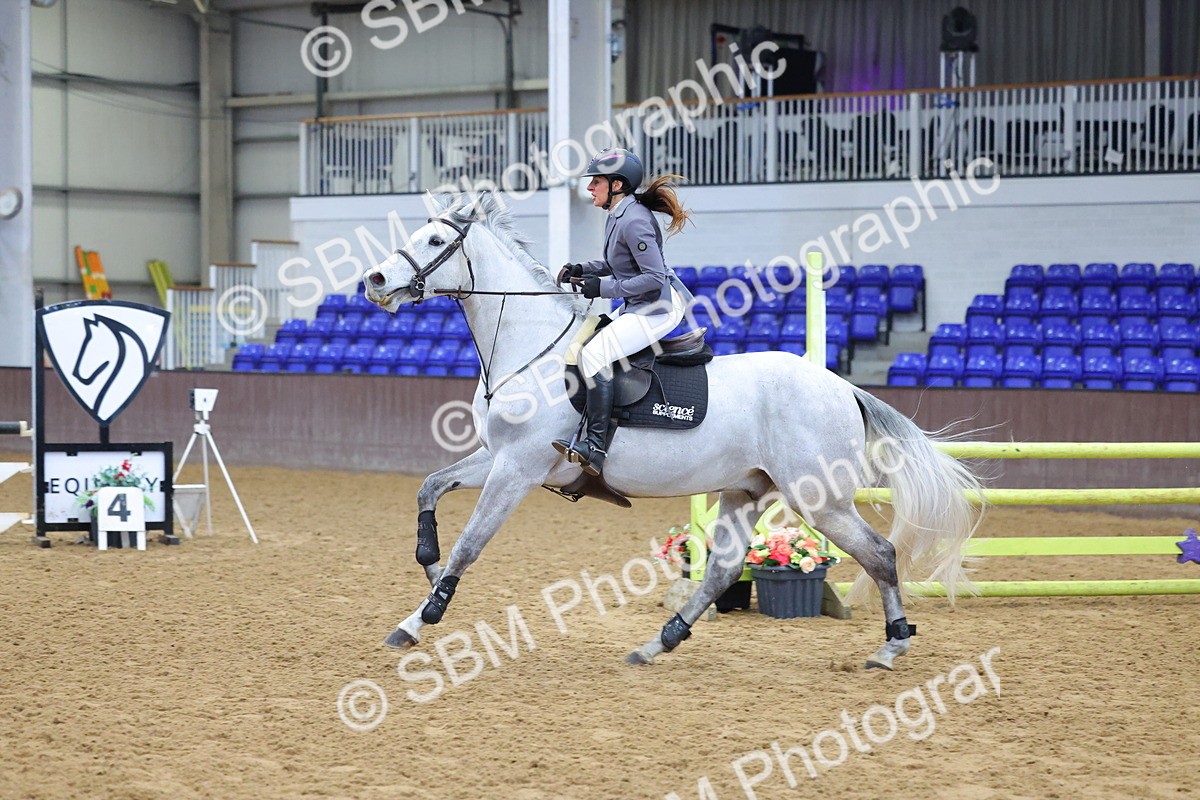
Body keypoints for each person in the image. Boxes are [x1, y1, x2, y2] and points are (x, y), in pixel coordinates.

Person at [552, 147, 693, 476]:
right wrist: (583, 268)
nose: (590, 188)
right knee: (583, 344)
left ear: (617, 185)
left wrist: (601, 289)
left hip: (657, 308)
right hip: (638, 303)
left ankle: (596, 448)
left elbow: (654, 277)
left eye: (596, 181)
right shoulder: (619, 213)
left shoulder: (633, 220)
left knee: (594, 356)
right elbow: (617, 263)